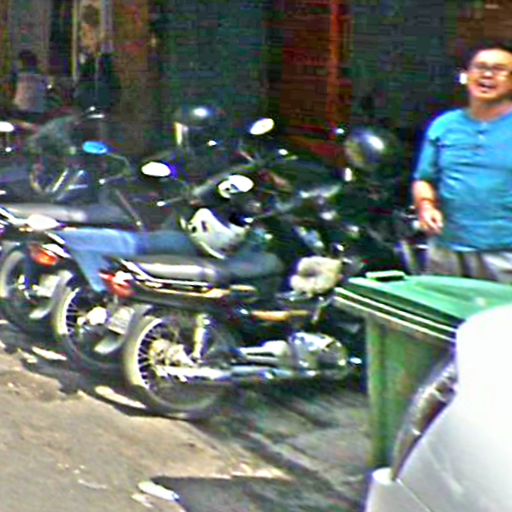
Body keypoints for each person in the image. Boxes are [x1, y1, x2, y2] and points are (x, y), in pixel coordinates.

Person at [413, 40, 512, 283]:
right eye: (480, 67)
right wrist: (426, 206)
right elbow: (424, 179)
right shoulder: (444, 126)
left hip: (505, 252)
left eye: (499, 69)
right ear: (465, 75)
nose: (487, 75)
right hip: (446, 250)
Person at [11, 49, 49, 123]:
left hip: (19, 107)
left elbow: (10, 89)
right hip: (37, 108)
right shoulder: (41, 74)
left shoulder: (17, 74)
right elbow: (46, 89)